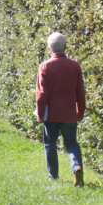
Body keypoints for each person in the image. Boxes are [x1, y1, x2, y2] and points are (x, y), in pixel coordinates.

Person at [35, 32, 86, 186]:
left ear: (49, 49)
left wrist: (40, 112)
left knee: (50, 144)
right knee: (71, 143)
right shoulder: (74, 66)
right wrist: (80, 110)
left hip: (51, 113)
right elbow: (80, 91)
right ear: (65, 47)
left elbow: (42, 93)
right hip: (69, 113)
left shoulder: (45, 66)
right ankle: (76, 166)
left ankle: (53, 176)